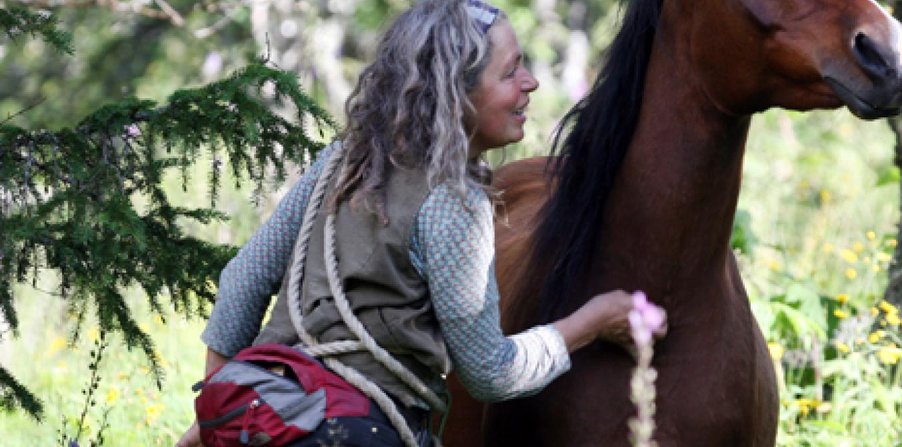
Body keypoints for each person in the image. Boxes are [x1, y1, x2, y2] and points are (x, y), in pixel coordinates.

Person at [176, 1, 663, 445]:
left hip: (261, 415)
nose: (529, 83)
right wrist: (591, 322)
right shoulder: (454, 205)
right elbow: (491, 374)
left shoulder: (342, 161)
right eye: (510, 71)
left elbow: (241, 279)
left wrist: (218, 417)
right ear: (456, 95)